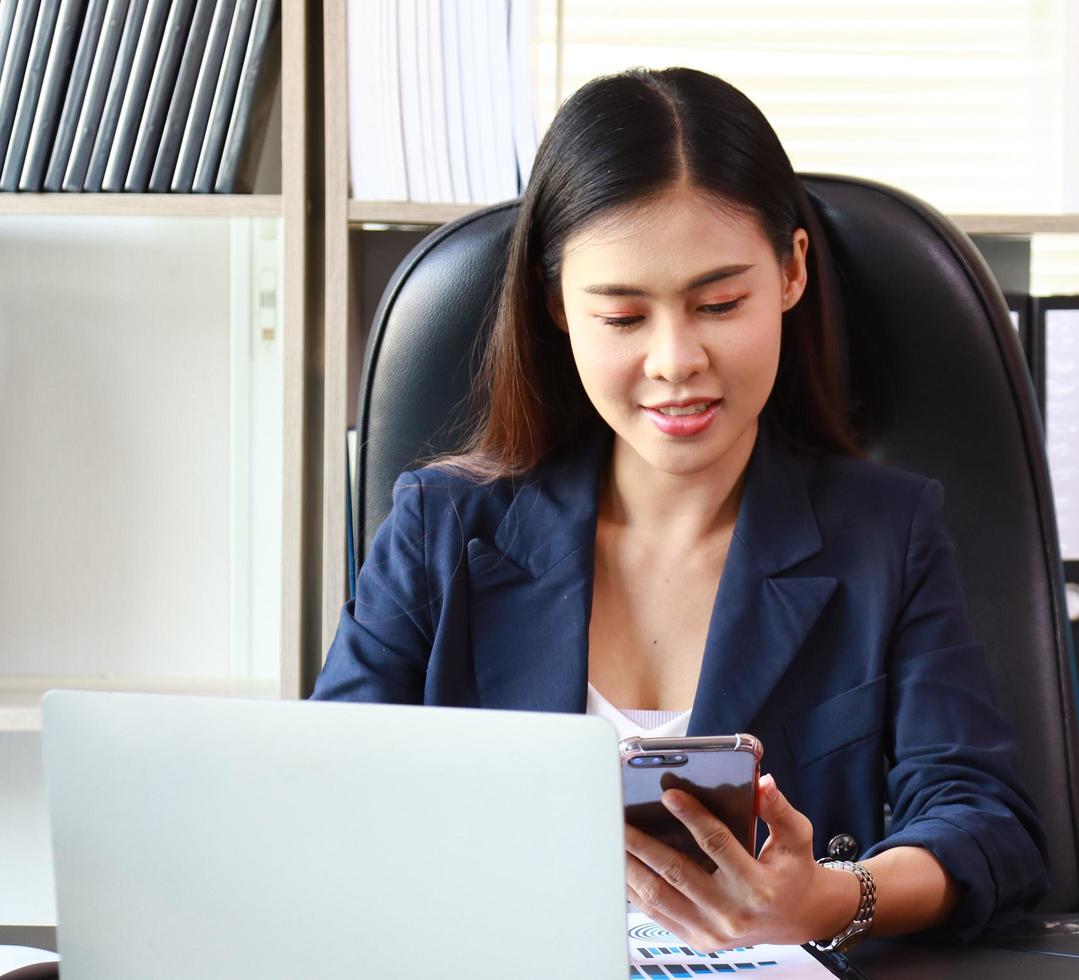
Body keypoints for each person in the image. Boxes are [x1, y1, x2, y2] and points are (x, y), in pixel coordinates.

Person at [312, 67, 1047, 951]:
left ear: (789, 272)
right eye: (623, 316)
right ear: (556, 308)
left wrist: (829, 900)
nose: (675, 360)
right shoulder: (439, 526)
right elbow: (328, 797)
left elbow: (984, 824)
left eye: (718, 303)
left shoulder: (883, 535)